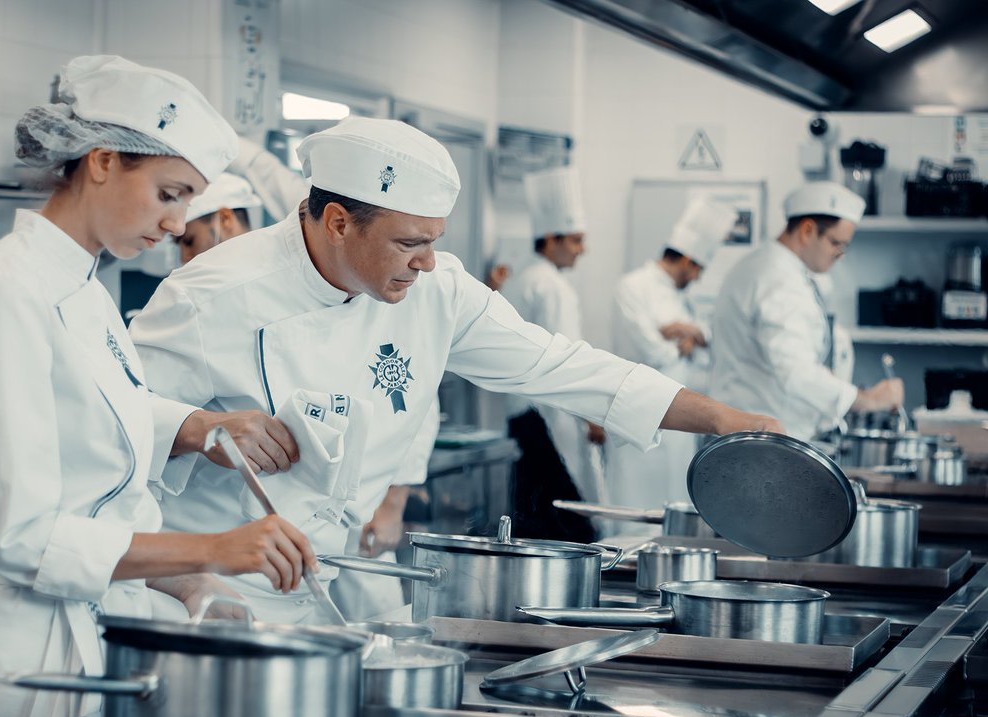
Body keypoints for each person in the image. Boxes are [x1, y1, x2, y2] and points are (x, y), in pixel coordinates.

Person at [130, 116, 782, 623]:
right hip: (212, 594)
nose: (427, 263)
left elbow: (558, 364)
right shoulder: (211, 294)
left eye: (435, 241)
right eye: (410, 242)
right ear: (336, 222)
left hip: (337, 580)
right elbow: (114, 425)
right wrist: (195, 426)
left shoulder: (437, 291)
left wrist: (721, 418)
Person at [0, 55, 316, 717]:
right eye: (169, 193)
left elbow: (91, 440)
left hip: (91, 646)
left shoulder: (88, 291)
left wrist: (197, 431)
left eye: (188, 200)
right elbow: (22, 534)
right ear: (102, 162)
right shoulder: (1, 291)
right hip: (13, 671)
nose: (176, 223)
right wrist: (209, 550)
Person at [170, 138, 435, 618]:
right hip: (242, 558)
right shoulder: (200, 295)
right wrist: (200, 428)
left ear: (225, 219)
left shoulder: (364, 279)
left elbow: (407, 393)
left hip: (353, 532)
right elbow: (127, 425)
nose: (179, 248)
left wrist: (394, 497)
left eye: (187, 238)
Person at [711, 181, 903, 440]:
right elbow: (795, 371)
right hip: (759, 440)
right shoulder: (777, 278)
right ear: (807, 230)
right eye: (836, 243)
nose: (840, 255)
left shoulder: (780, 270)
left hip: (764, 436)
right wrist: (866, 399)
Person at [608, 198, 737, 512]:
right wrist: (683, 342)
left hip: (679, 422)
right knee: (635, 507)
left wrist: (685, 332)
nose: (698, 279)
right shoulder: (632, 286)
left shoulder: (683, 298)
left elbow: (708, 343)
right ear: (688, 261)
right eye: (699, 270)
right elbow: (652, 351)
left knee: (675, 505)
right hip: (639, 418)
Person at [499, 166, 605, 541]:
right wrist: (593, 413)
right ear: (552, 239)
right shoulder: (550, 286)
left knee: (535, 518)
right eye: (576, 241)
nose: (582, 250)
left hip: (525, 416)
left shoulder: (524, 278)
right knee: (565, 526)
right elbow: (567, 363)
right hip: (546, 419)